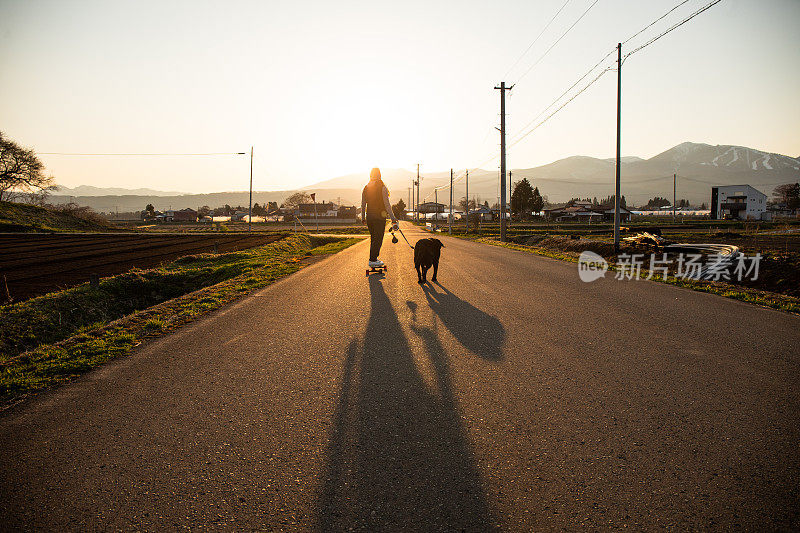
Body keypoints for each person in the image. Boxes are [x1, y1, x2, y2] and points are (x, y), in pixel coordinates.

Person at [361, 167, 399, 268]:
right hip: (379, 217)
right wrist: (393, 218)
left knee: (374, 238)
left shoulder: (365, 188)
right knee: (378, 239)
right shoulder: (382, 187)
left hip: (369, 217)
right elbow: (387, 205)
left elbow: (363, 204)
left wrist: (363, 217)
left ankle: (373, 258)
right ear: (380, 175)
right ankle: (373, 260)